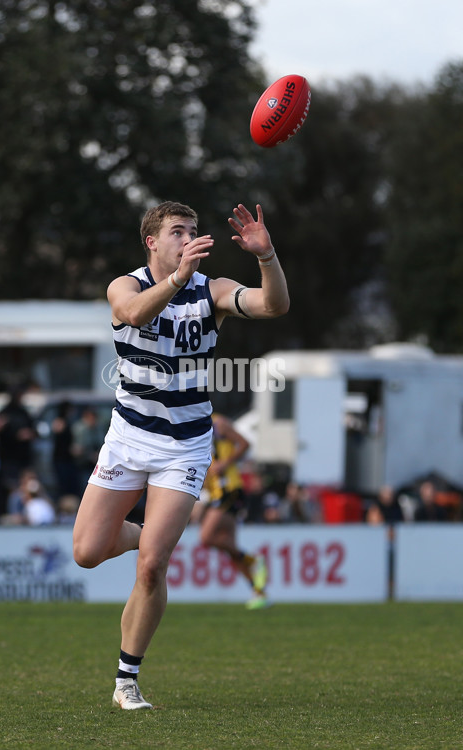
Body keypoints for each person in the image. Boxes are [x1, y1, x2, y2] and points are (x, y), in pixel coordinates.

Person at [72, 201, 289, 710]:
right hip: (127, 438)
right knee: (86, 552)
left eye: (192, 231)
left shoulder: (210, 290)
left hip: (184, 445)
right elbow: (132, 313)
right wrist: (175, 279)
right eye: (177, 231)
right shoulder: (123, 285)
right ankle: (153, 536)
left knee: (152, 568)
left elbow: (274, 306)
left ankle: (127, 680)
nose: (188, 238)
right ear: (151, 241)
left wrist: (267, 256)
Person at [197, 413, 268, 609]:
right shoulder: (195, 425)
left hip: (229, 489)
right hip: (216, 492)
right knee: (229, 546)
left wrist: (225, 463)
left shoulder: (219, 424)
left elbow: (245, 443)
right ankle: (259, 592)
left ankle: (253, 559)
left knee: (206, 537)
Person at [0, 386, 36, 518]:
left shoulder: (24, 412)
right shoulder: (4, 413)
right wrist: (16, 435)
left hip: (24, 456)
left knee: (25, 487)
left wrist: (30, 434)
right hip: (9, 457)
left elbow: (34, 429)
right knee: (11, 487)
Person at [71, 408, 105, 489]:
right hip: (84, 463)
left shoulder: (99, 428)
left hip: (97, 464)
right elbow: (77, 448)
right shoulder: (80, 429)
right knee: (85, 486)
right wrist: (90, 455)